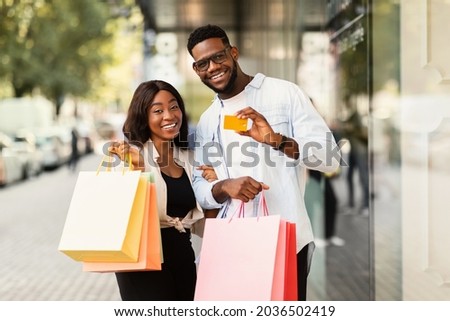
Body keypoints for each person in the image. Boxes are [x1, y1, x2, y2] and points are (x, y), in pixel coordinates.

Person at [187, 24, 340, 300]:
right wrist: (224, 187)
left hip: (285, 240)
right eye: (202, 64)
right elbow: (200, 185)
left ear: (233, 52)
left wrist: (276, 140)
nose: (212, 67)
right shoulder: (209, 119)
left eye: (218, 57)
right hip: (232, 243)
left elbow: (330, 159)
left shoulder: (284, 94)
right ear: (197, 70)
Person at [108, 80, 216, 301]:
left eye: (174, 107)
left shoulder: (188, 158)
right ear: (143, 116)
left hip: (183, 257)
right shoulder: (130, 155)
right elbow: (121, 214)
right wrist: (136, 169)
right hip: (143, 260)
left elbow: (205, 221)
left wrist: (214, 186)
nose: (169, 116)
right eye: (158, 110)